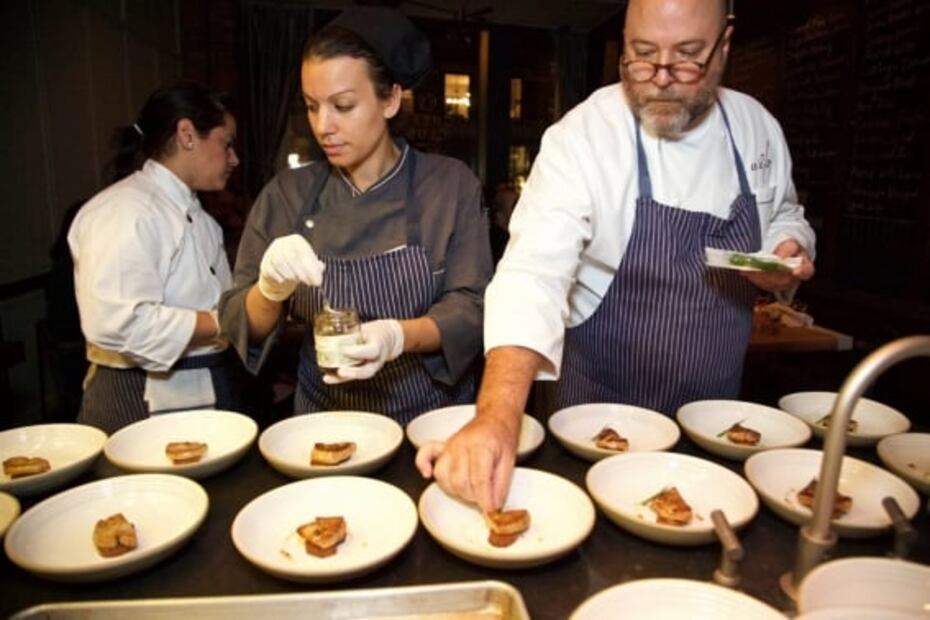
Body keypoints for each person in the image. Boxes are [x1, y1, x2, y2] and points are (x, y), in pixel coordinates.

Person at [417, 0, 817, 511]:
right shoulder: (584, 136)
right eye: (642, 54)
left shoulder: (757, 129)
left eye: (687, 56)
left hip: (713, 423)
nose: (660, 79)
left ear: (725, 43)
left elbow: (784, 211)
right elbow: (531, 274)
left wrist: (788, 247)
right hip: (595, 418)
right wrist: (496, 415)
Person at [218, 8, 493, 425]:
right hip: (324, 422)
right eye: (311, 106)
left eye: (343, 106)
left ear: (390, 99)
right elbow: (245, 327)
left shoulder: (448, 186)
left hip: (429, 422)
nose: (322, 125)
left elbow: (472, 307)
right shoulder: (287, 196)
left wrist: (398, 337)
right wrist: (269, 290)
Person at [69, 82, 240, 433]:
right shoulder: (126, 211)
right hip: (138, 397)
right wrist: (230, 318)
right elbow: (122, 322)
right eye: (227, 143)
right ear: (187, 134)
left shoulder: (201, 219)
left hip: (204, 387)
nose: (234, 159)